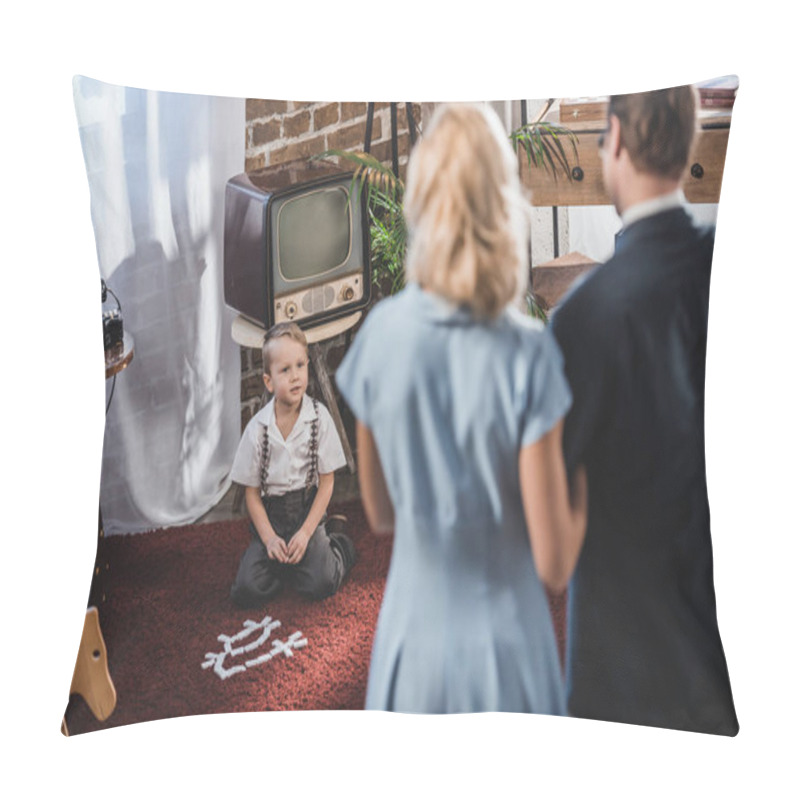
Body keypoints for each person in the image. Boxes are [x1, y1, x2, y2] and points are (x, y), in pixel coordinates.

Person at [336, 104, 587, 713]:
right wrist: (584, 475)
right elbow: (555, 562)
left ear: (422, 202)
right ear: (501, 207)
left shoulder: (378, 337)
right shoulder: (529, 356)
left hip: (411, 644)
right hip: (505, 651)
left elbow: (381, 511)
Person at [550, 85, 739, 735]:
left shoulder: (579, 319)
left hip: (624, 675)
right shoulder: (740, 271)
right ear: (686, 143)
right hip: (737, 655)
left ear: (618, 140)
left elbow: (552, 523)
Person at [229, 322, 356, 607]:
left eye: (300, 365)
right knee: (247, 589)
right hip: (271, 518)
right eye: (285, 370)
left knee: (322, 582)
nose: (296, 376)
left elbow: (327, 481)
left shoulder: (319, 418)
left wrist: (307, 532)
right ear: (268, 381)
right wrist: (270, 539)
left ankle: (337, 542)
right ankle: (285, 563)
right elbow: (251, 494)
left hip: (306, 512)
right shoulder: (257, 429)